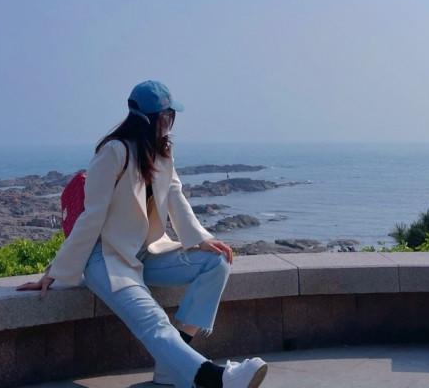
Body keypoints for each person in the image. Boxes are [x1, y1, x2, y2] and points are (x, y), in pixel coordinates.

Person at [17, 80, 268, 388]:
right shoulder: (113, 152)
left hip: (147, 251)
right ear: (148, 119)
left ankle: (170, 370)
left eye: (172, 116)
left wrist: (201, 238)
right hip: (107, 258)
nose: (171, 122)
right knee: (153, 320)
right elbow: (91, 217)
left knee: (216, 262)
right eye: (167, 116)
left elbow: (175, 194)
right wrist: (55, 271)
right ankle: (217, 380)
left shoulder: (163, 151)